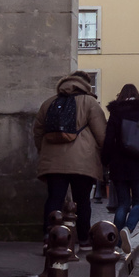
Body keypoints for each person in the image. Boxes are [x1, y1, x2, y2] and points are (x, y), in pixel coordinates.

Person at [34, 71, 107, 249]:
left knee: (54, 198)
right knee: (82, 201)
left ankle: (49, 237)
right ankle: (83, 240)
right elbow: (101, 135)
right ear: (86, 84)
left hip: (53, 160)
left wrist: (45, 151)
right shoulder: (89, 102)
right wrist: (101, 155)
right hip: (83, 160)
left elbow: (37, 132)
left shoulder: (49, 103)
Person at [101, 83, 139, 254]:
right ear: (136, 94)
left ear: (121, 95)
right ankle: (128, 228)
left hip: (119, 165)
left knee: (123, 203)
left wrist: (106, 160)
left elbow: (108, 139)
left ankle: (116, 243)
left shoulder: (115, 113)